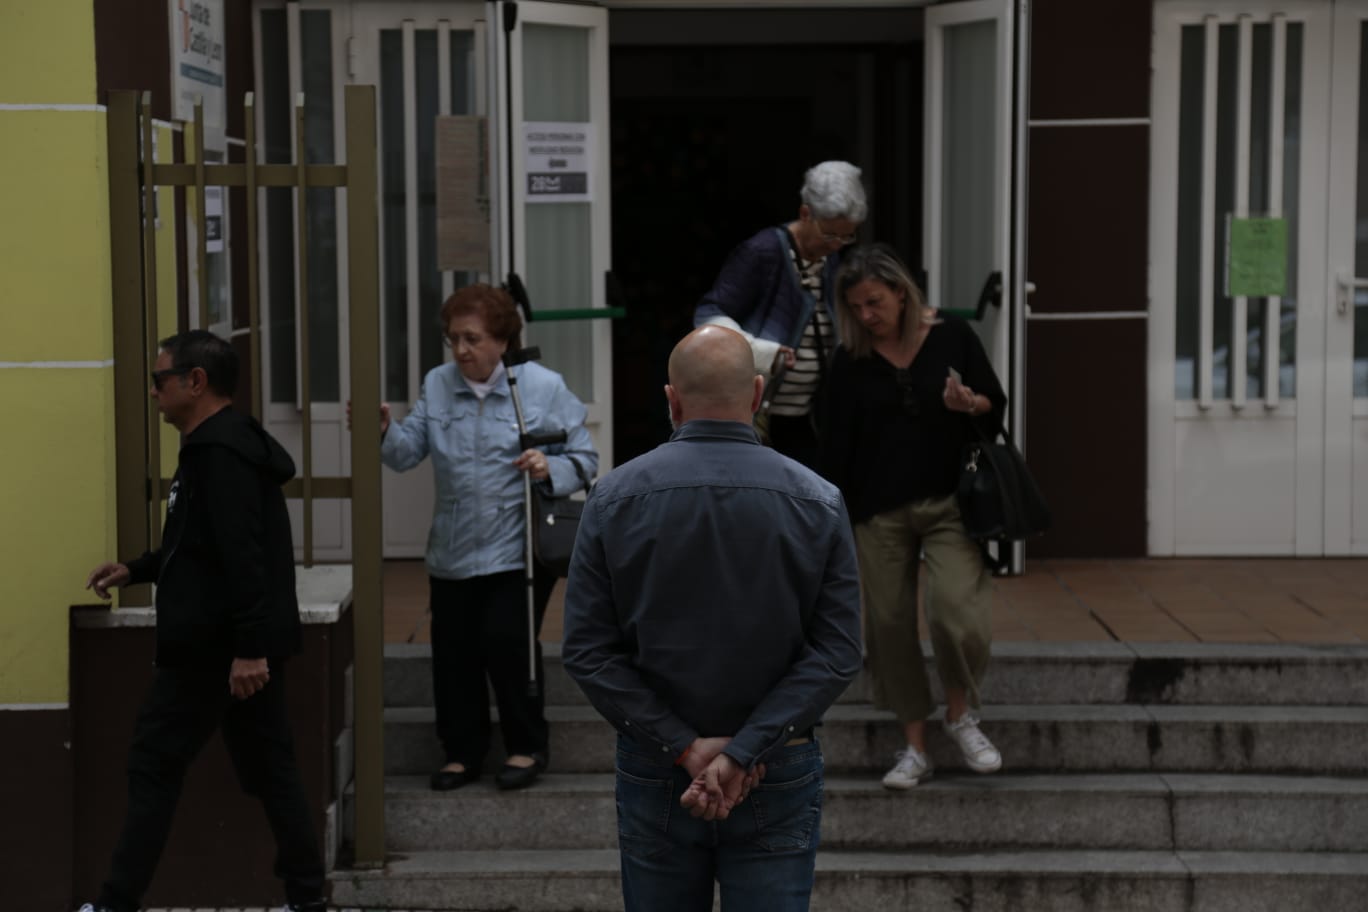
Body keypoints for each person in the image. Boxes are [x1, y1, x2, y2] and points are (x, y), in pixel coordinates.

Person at [562, 325, 862, 912]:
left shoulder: (612, 498)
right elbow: (838, 651)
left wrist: (686, 748)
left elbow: (587, 651)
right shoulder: (818, 500)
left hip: (657, 764)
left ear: (671, 400)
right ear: (757, 394)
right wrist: (744, 749)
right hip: (777, 760)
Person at [80, 330, 326, 912]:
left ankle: (116, 902)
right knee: (272, 769)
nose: (152, 392)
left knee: (154, 762)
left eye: (159, 379)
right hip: (230, 644)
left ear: (195, 382)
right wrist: (137, 568)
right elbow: (199, 545)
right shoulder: (217, 447)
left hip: (215, 650)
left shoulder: (220, 455)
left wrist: (247, 650)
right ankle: (308, 897)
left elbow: (244, 558)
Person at [360, 283, 597, 792]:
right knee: (454, 652)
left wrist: (546, 464)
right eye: (453, 340)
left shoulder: (543, 386)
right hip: (452, 548)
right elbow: (406, 454)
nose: (461, 350)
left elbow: (585, 459)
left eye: (471, 339)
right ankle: (462, 753)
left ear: (502, 339)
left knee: (508, 645)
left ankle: (525, 745)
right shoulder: (439, 384)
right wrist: (383, 431)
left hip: (516, 550)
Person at [820, 243, 1007, 790]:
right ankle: (915, 746)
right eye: (854, 307)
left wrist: (968, 405)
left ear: (902, 293)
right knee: (889, 625)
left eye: (874, 302)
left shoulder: (951, 337)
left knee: (956, 614)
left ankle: (958, 715)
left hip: (951, 502)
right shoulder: (849, 361)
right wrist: (835, 519)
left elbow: (994, 406)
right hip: (877, 512)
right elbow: (834, 446)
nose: (865, 316)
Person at [693, 160, 867, 468]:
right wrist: (760, 353)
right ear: (805, 214)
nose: (838, 245)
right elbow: (709, 313)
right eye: (831, 235)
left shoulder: (830, 260)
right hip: (763, 416)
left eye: (847, 236)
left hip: (809, 415)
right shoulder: (763, 252)